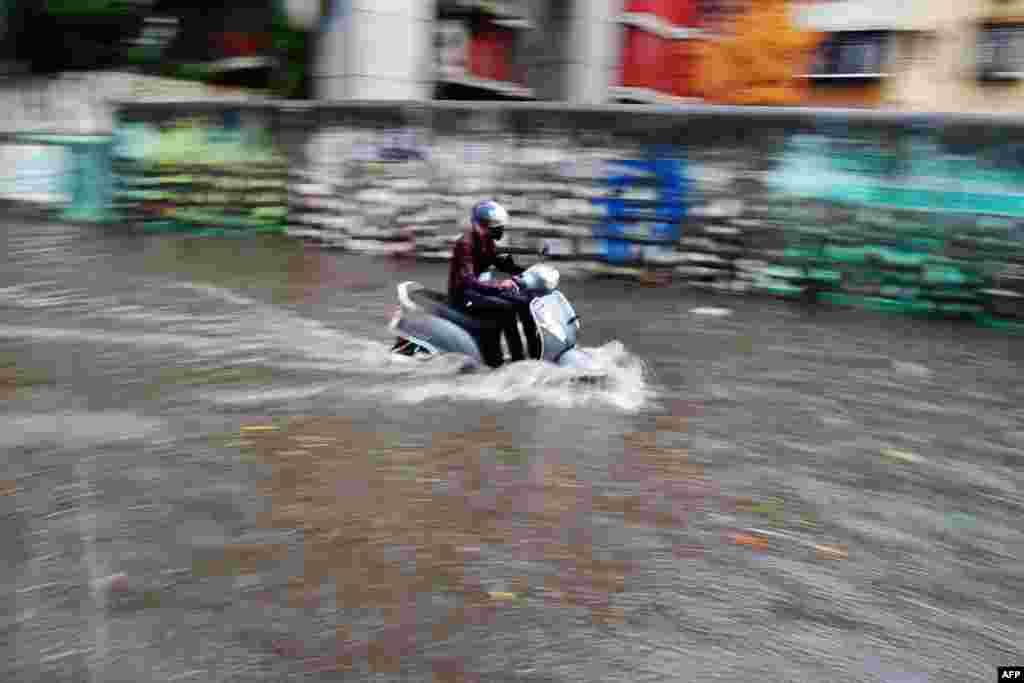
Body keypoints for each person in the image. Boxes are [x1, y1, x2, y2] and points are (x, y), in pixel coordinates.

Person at [448, 200, 540, 367]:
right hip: (463, 294)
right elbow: (468, 281)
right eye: (497, 226)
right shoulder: (465, 244)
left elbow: (501, 263)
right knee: (506, 308)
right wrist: (499, 286)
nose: (500, 230)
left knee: (525, 301)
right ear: (483, 225)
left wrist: (529, 273)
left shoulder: (486, 240)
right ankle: (517, 360)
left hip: (478, 290)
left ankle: (535, 353)